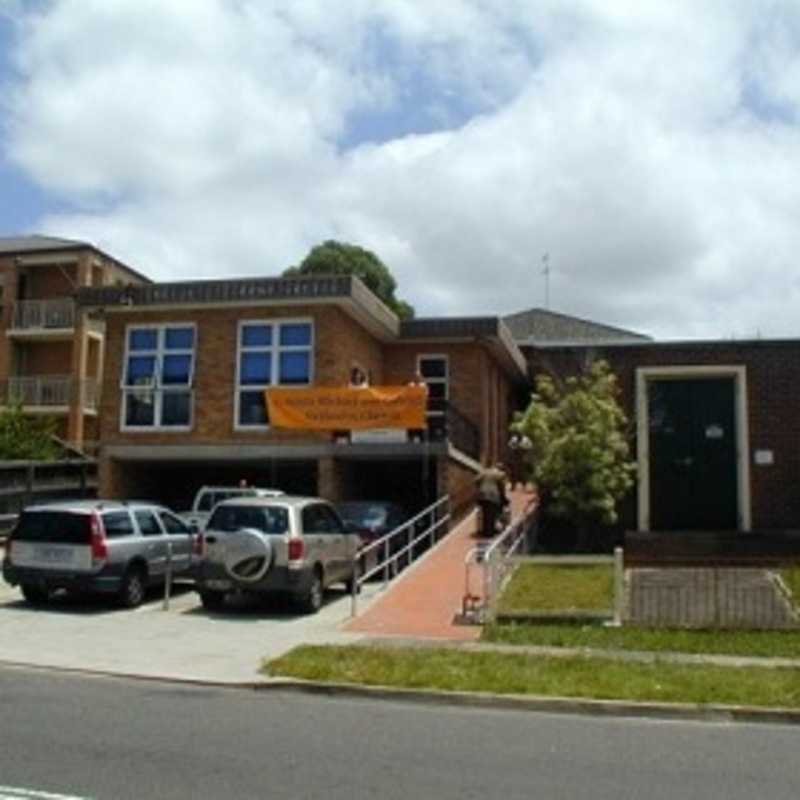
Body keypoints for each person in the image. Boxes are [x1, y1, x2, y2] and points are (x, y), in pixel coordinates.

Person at [475, 462, 509, 538]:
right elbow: (502, 488)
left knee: (485, 513)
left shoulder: (485, 471)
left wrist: (480, 488)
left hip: (482, 495)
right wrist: (504, 498)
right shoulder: (500, 474)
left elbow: (476, 480)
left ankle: (485, 531)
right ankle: (490, 532)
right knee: (492, 513)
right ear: (501, 469)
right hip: (493, 496)